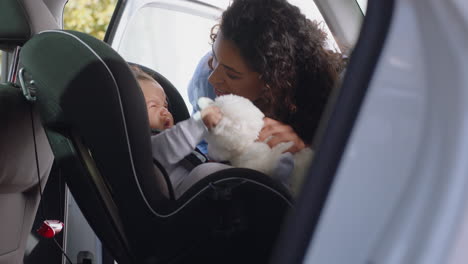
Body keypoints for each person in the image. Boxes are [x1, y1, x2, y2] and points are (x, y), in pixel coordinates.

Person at [187, 0, 344, 154]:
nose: (213, 78)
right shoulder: (206, 78)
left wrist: (303, 152)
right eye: (215, 56)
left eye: (232, 75)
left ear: (274, 80)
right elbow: (200, 146)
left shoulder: (331, 106)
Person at [131, 65, 230, 197]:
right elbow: (172, 144)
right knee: (204, 171)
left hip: (201, 189)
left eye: (165, 105)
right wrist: (200, 123)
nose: (165, 111)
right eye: (153, 105)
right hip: (182, 201)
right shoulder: (142, 147)